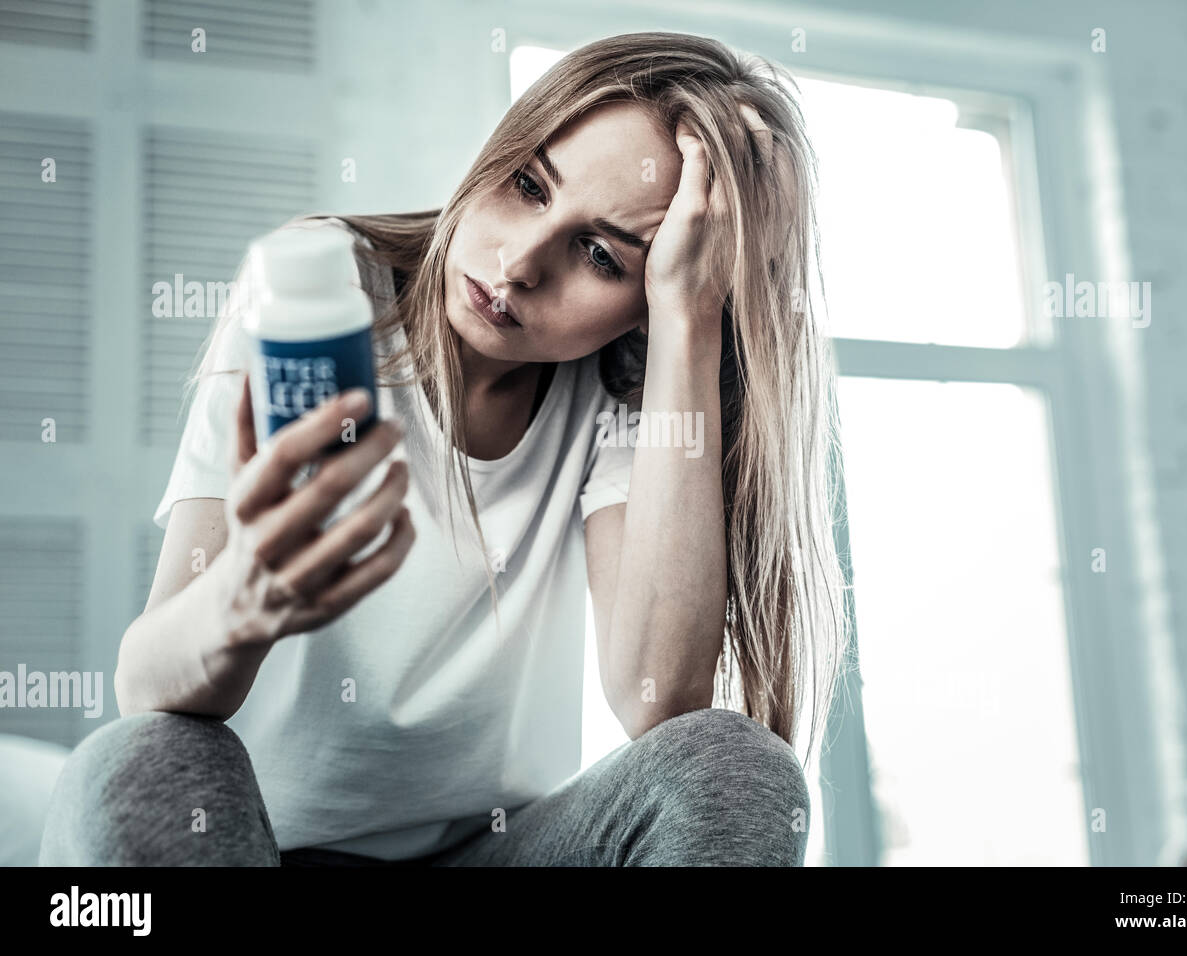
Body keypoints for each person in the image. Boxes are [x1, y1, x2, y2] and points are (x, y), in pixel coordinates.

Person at [41, 31, 849, 867]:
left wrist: (690, 315)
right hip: (253, 845)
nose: (520, 262)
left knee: (735, 765)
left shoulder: (623, 384)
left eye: (602, 255)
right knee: (142, 756)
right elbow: (146, 687)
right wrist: (245, 599)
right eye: (530, 186)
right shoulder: (324, 292)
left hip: (490, 853)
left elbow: (659, 697)